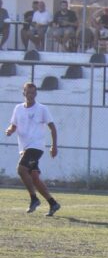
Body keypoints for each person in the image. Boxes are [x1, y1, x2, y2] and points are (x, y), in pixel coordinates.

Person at [5, 82, 60, 216]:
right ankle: (53, 203)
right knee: (34, 177)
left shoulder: (42, 109)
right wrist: (10, 130)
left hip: (36, 147)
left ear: (36, 94)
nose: (30, 95)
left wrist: (54, 146)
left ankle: (34, 198)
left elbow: (52, 127)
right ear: (23, 93)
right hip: (24, 148)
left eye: (33, 93)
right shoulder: (18, 108)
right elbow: (14, 125)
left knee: (21, 169)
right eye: (28, 92)